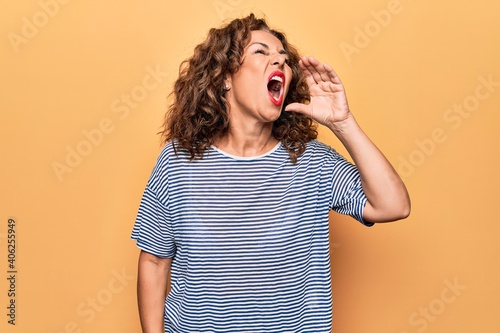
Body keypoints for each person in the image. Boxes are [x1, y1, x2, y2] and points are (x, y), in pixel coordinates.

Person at [131, 13, 410, 333]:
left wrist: (342, 122)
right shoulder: (179, 162)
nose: (279, 60)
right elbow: (153, 261)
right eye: (261, 52)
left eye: (284, 58)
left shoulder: (313, 163)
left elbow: (394, 206)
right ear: (224, 76)